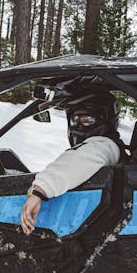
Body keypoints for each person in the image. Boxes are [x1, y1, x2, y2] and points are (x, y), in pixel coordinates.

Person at [21, 90, 124, 234]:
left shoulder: (105, 145)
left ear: (106, 120)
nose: (79, 126)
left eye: (88, 120)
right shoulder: (107, 146)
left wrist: (40, 191)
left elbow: (79, 161)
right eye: (75, 120)